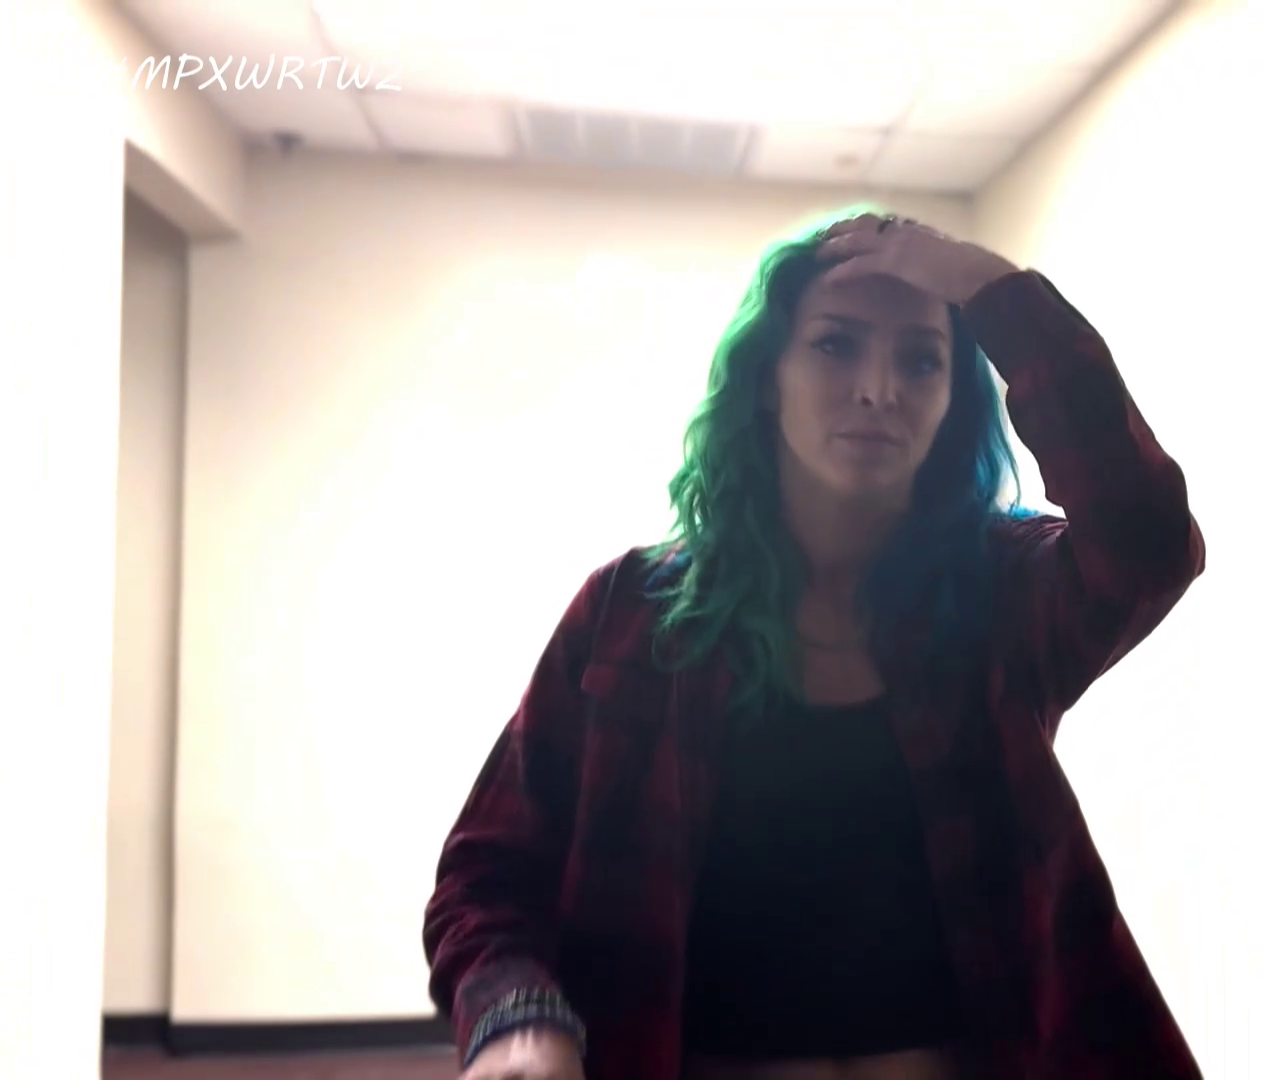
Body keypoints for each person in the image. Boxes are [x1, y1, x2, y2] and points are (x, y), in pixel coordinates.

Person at [424, 209, 1206, 1080]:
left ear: (954, 398)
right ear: (768, 378)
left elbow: (1146, 542)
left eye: (921, 359)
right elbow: (486, 874)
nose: (879, 389)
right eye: (836, 345)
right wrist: (517, 1021)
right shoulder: (630, 616)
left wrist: (991, 289)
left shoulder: (1002, 596)